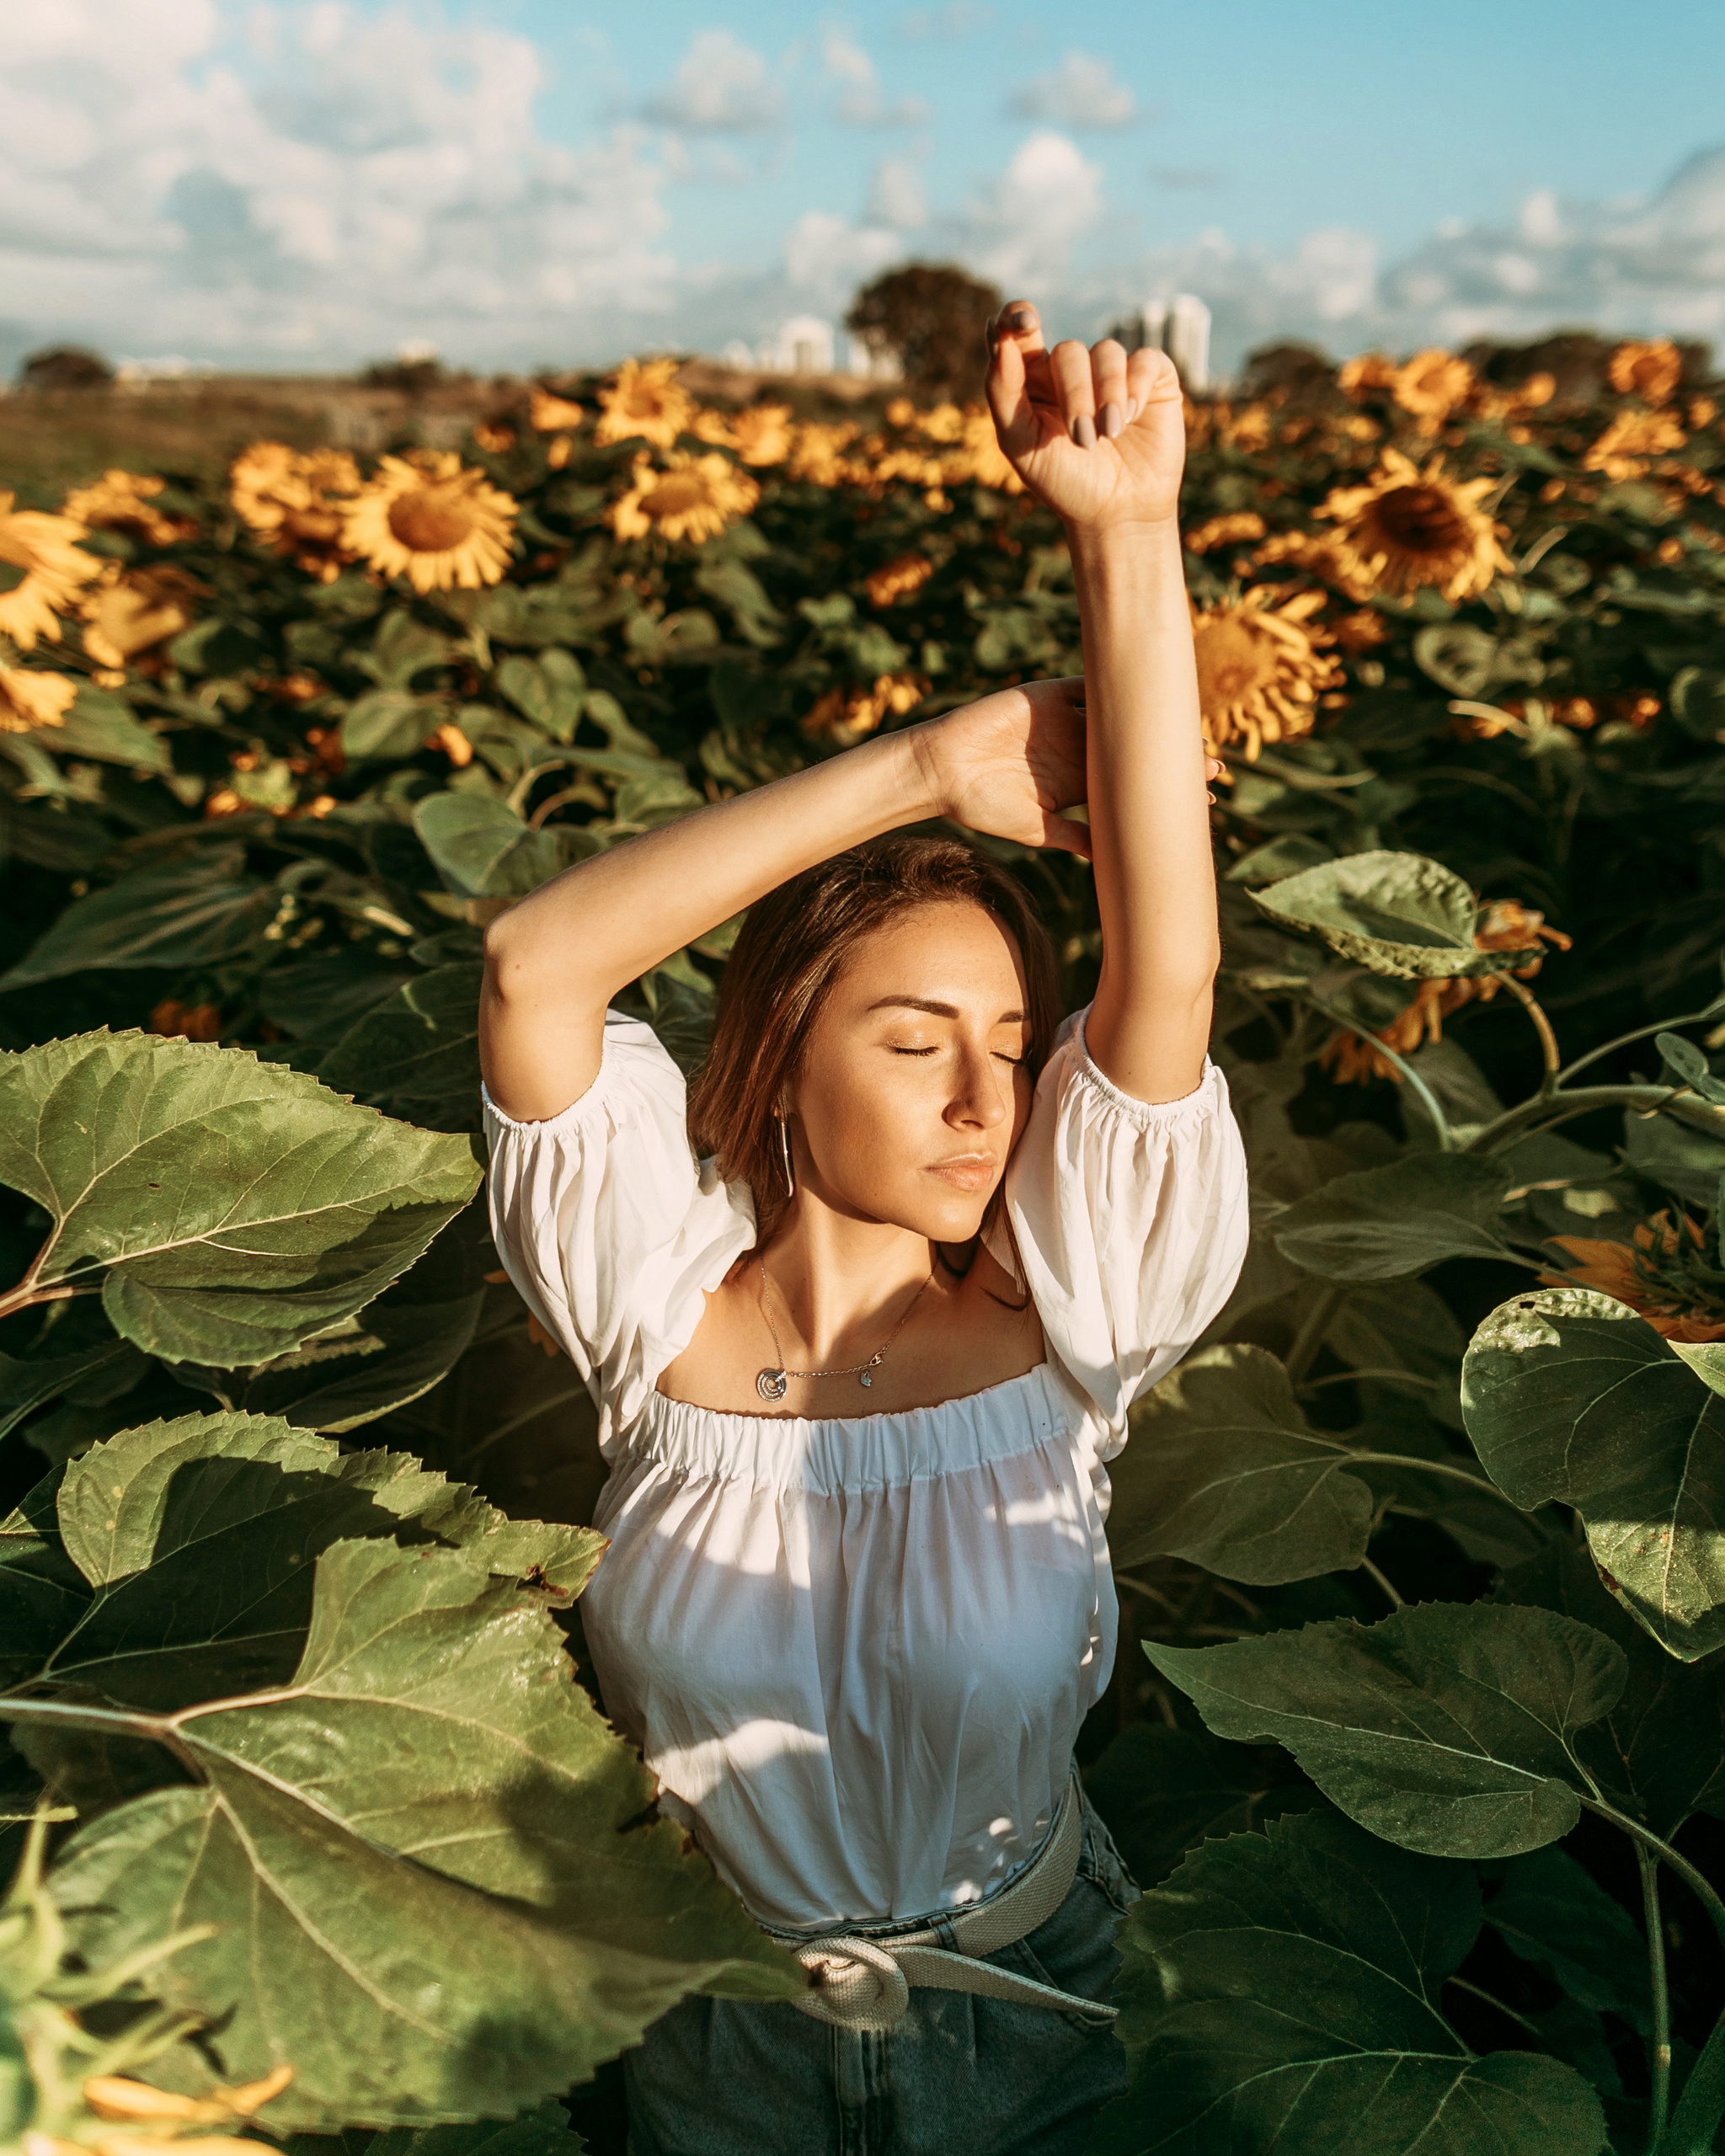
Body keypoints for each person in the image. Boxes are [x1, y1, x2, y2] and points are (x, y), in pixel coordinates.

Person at [479, 302, 1250, 2156]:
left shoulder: (1076, 1305)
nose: (988, 1100)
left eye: (1008, 1043)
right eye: (915, 1044)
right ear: (781, 1060)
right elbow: (538, 961)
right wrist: (921, 771)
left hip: (1044, 2020)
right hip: (711, 2036)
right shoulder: (646, 1292)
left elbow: (1171, 964)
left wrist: (1122, 530)